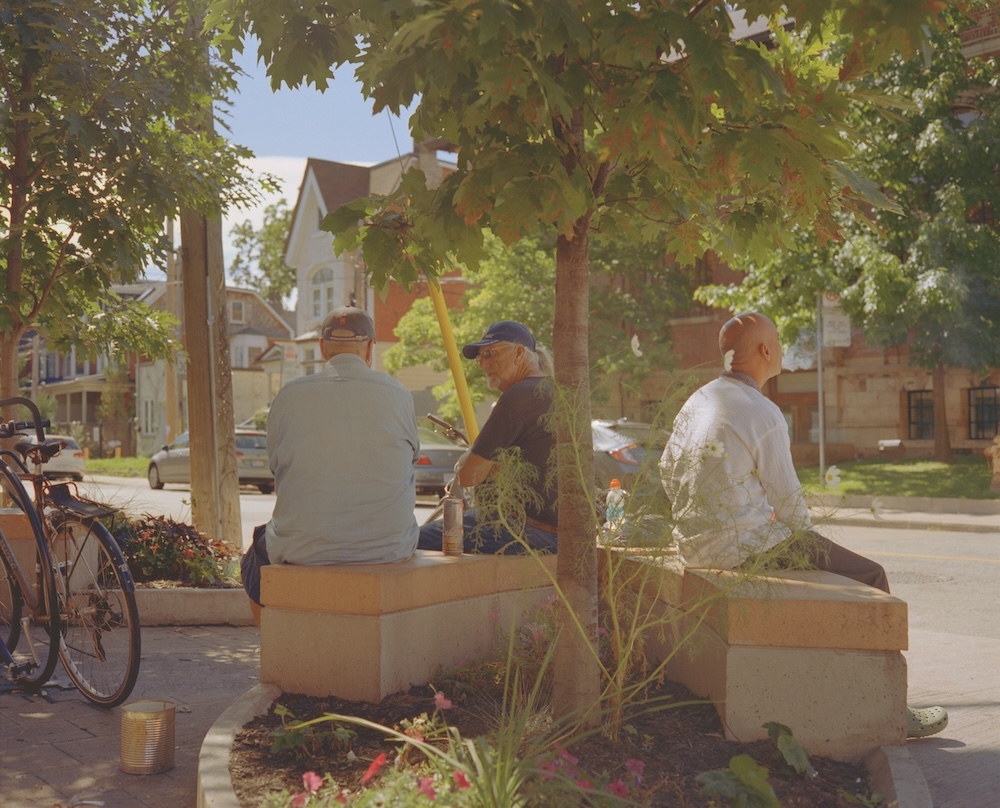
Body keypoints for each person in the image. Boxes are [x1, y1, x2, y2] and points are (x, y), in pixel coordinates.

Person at [659, 311, 948, 739]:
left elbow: (667, 471)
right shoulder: (762, 410)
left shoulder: (698, 400)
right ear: (764, 351)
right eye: (777, 341)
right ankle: (891, 711)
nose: (780, 349)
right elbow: (792, 508)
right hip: (745, 548)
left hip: (694, 546)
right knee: (870, 575)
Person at [240, 306, 419, 623]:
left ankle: (274, 641)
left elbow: (277, 466)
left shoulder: (289, 394)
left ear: (322, 348)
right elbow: (411, 458)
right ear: (370, 349)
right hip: (390, 547)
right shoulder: (399, 394)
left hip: (301, 548)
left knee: (254, 556)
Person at [418, 321, 558, 554]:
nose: (483, 364)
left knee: (408, 542)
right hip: (558, 533)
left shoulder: (518, 397)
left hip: (522, 530)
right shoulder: (557, 392)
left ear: (520, 353)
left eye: (490, 354)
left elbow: (469, 475)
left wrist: (484, 466)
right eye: (480, 358)